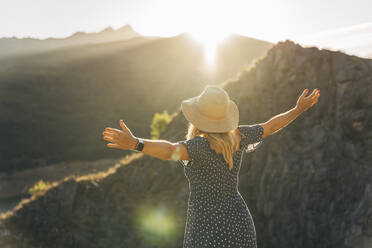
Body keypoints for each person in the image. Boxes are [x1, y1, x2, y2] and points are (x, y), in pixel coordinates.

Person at [102, 85, 320, 247]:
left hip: (207, 227)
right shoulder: (239, 137)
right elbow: (270, 126)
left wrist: (136, 143)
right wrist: (298, 109)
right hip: (239, 222)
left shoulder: (197, 147)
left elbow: (169, 150)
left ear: (198, 118)